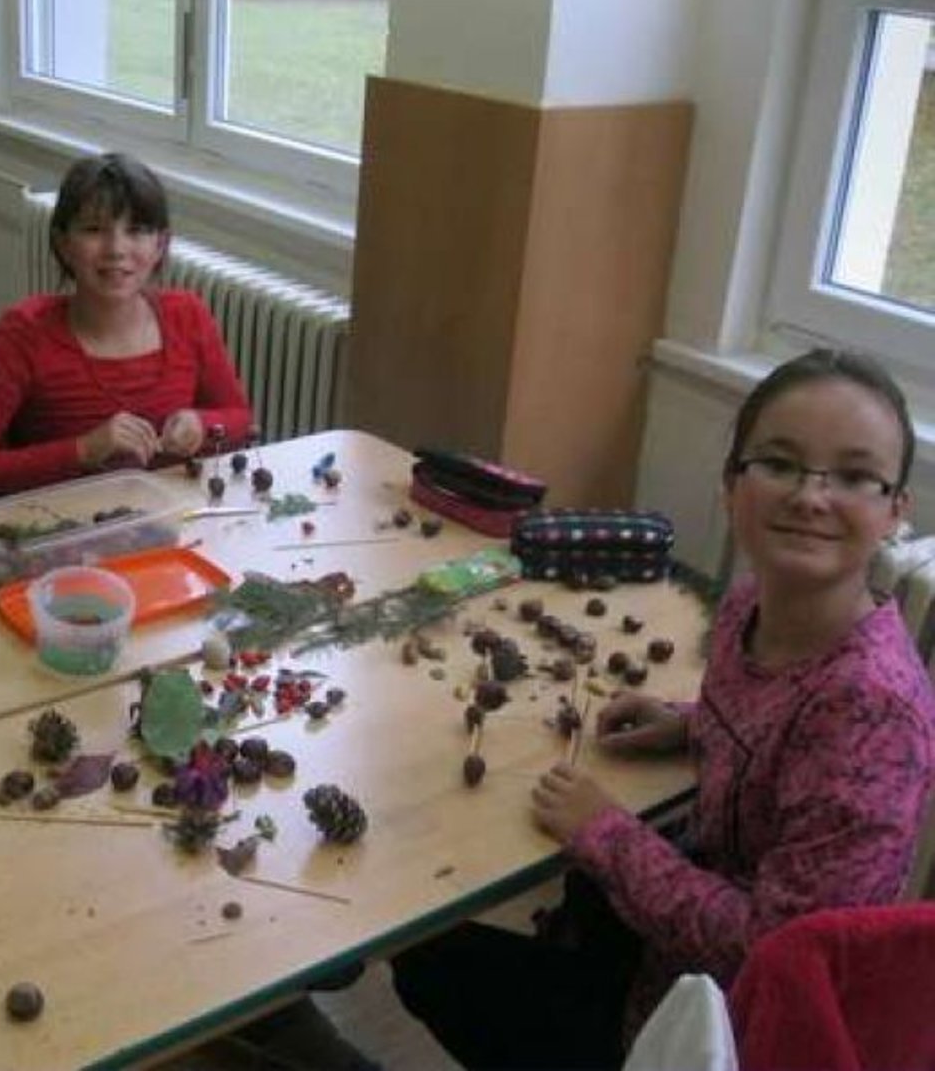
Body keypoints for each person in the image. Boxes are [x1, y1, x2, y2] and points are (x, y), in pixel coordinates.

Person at [392, 348, 935, 1068]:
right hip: (676, 944)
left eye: (855, 476)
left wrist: (607, 833)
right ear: (731, 485)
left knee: (428, 962)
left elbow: (773, 955)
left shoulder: (870, 714)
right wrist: (690, 722)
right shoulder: (751, 604)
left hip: (714, 1033)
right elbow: (776, 724)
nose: (811, 497)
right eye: (779, 463)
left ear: (895, 511)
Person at [0, 152, 252, 504]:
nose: (116, 249)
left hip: (170, 520)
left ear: (160, 245)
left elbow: (241, 420)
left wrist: (202, 425)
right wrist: (83, 450)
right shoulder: (22, 334)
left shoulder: (187, 315)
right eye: (94, 230)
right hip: (56, 525)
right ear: (63, 244)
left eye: (136, 231)